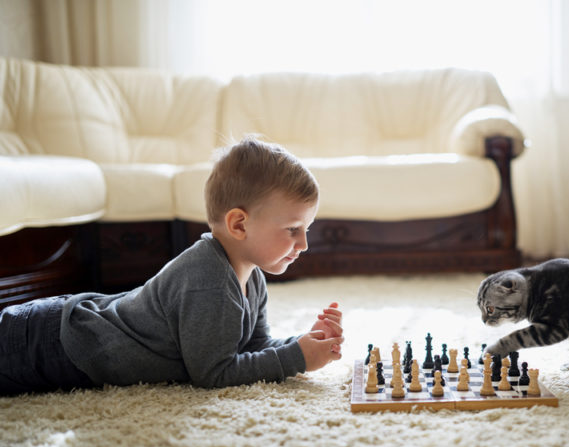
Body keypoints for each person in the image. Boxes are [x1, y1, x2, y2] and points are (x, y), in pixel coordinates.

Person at [0, 137, 344, 395]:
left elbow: (250, 349)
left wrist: (301, 343)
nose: (304, 245)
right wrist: (296, 359)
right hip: (50, 345)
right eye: (292, 230)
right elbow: (214, 374)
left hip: (65, 330)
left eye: (306, 230)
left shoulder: (252, 278)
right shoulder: (207, 279)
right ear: (239, 224)